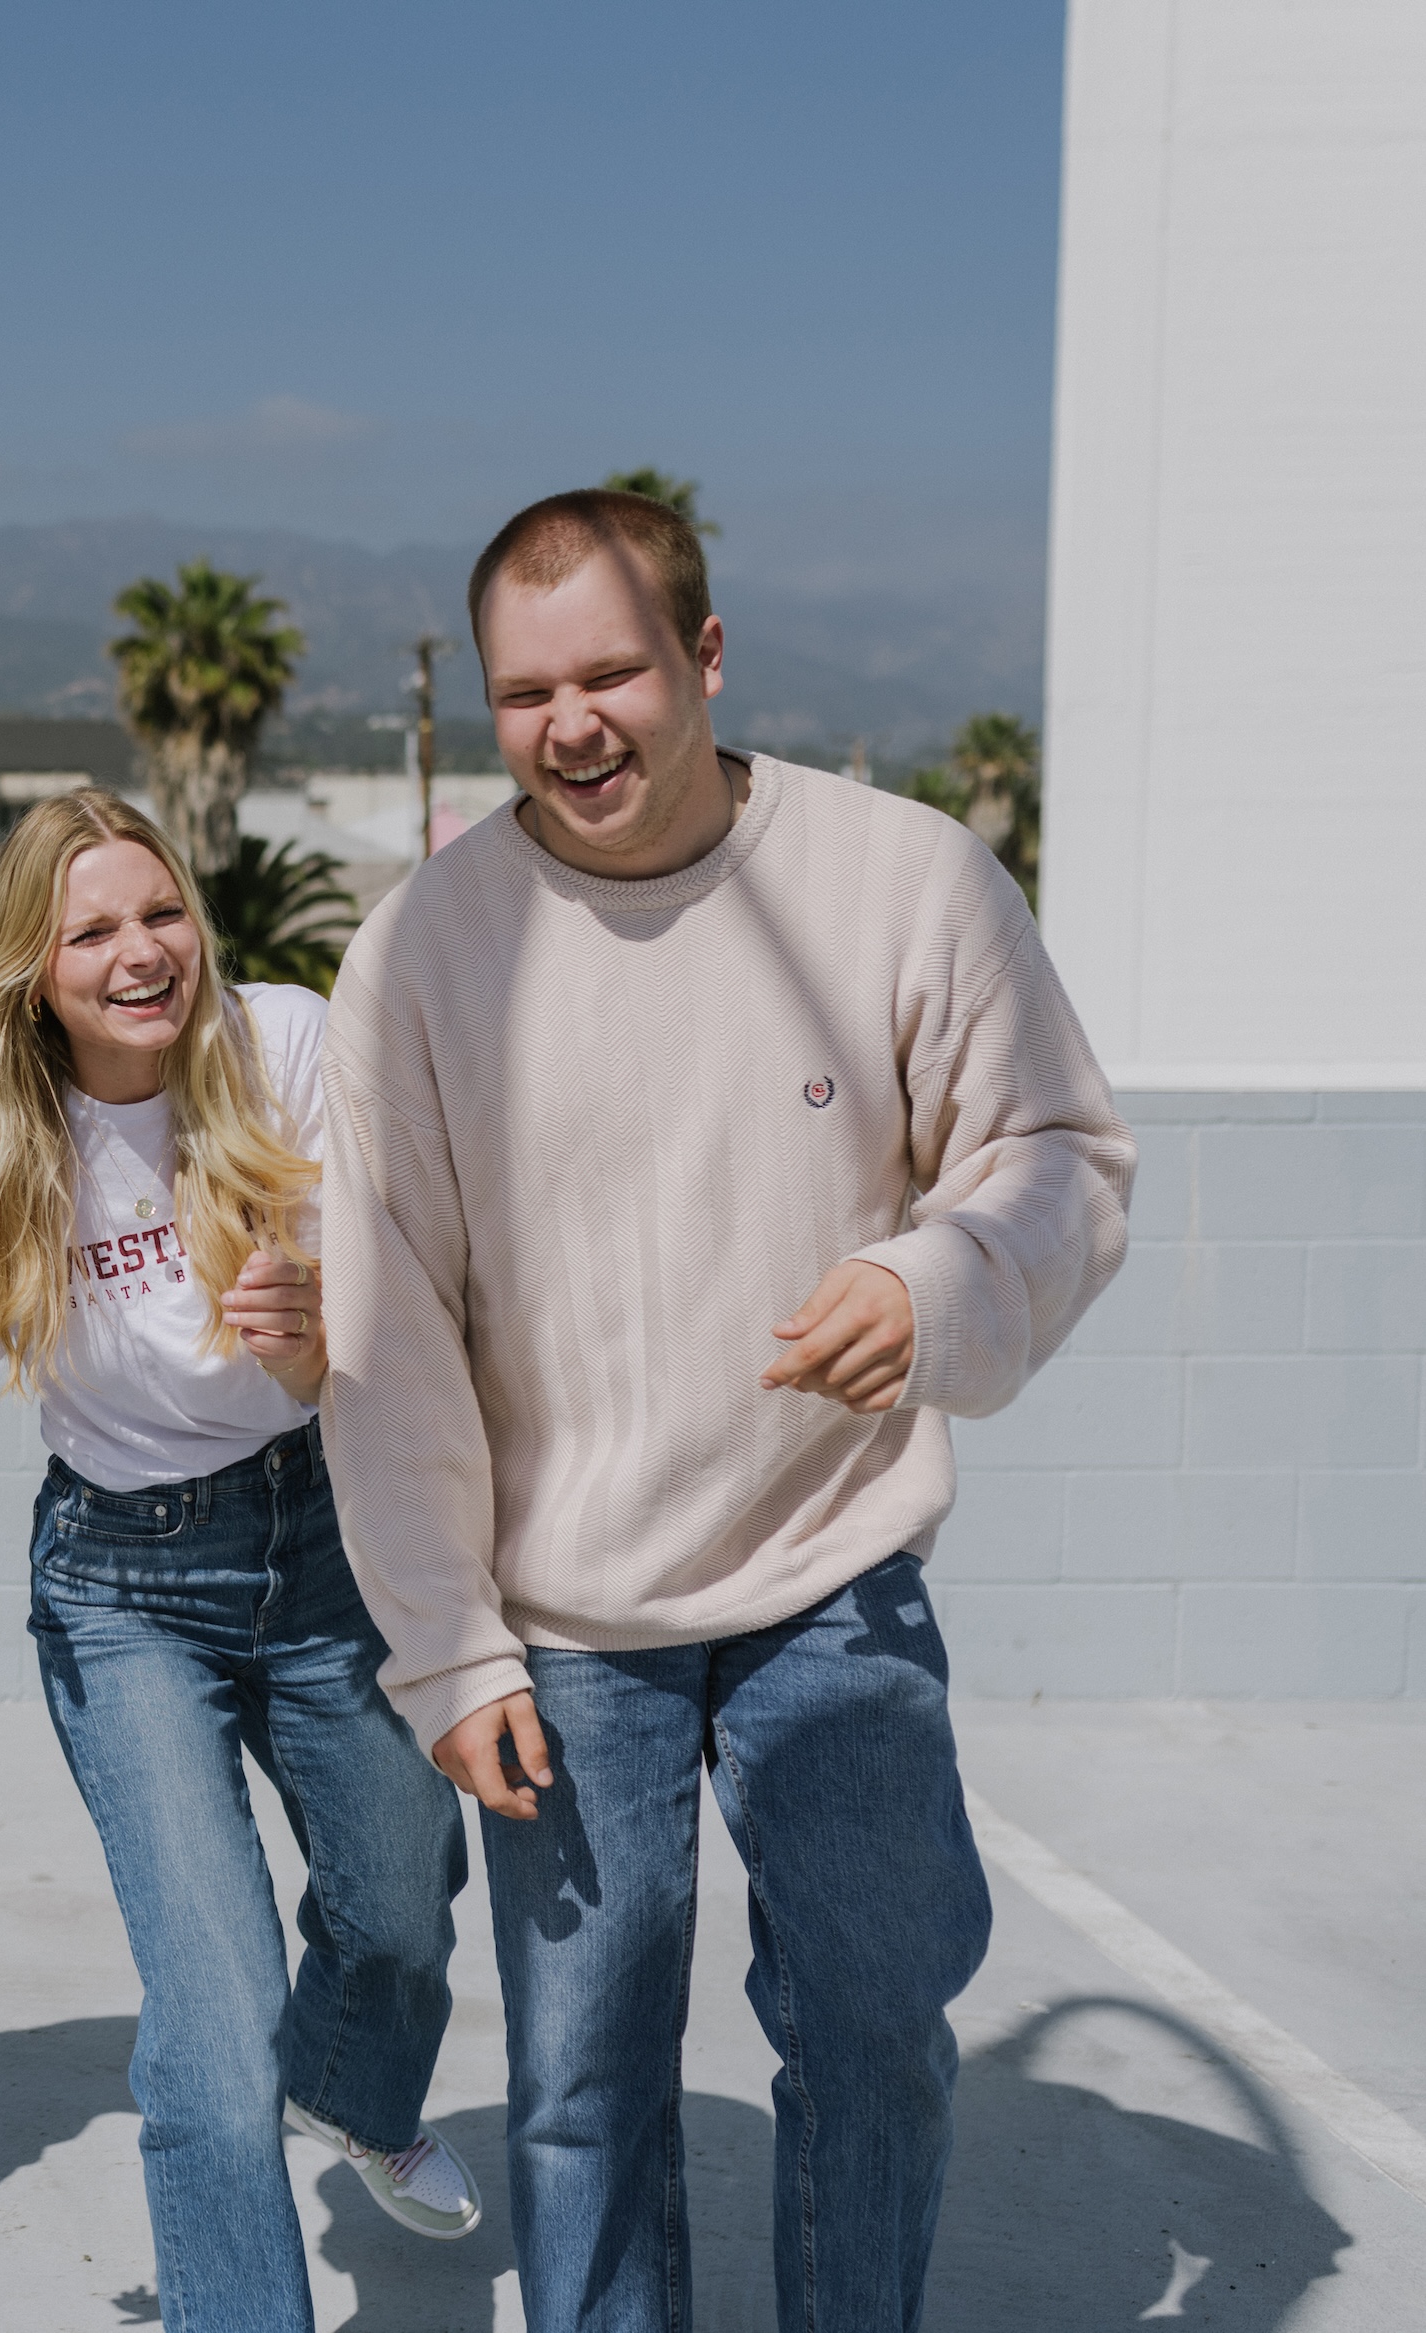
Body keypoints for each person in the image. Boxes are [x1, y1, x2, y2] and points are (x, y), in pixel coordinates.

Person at [318, 488, 1136, 2331]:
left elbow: (1060, 1154)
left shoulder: (901, 875)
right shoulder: (427, 951)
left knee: (881, 2032)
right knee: (581, 2087)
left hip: (831, 1576)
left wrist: (936, 1282)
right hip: (564, 1622)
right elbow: (389, 1327)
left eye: (611, 669)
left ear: (704, 653)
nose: (571, 723)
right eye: (525, 691)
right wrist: (449, 1648)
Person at [0, 788, 477, 2329]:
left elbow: (390, 1331)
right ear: (33, 967)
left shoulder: (285, 1046)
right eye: (92, 929)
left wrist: (315, 1339)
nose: (140, 951)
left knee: (403, 1901)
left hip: (316, 1537)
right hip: (123, 1594)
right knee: (216, 2019)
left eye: (160, 911)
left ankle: (359, 2093)